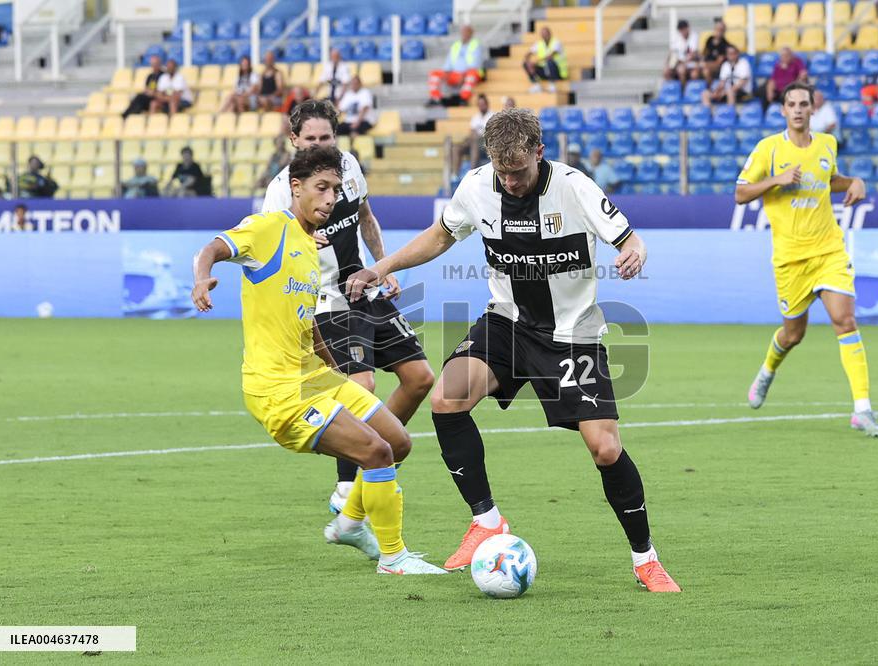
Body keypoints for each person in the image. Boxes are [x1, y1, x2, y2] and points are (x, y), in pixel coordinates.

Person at [345, 107, 682, 592]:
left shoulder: (574, 187)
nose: (512, 182)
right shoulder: (479, 186)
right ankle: (486, 520)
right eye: (503, 172)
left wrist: (633, 253)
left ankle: (645, 559)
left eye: (519, 171)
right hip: (506, 323)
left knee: (605, 448)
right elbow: (442, 235)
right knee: (446, 398)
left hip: (573, 334)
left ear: (539, 153)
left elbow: (631, 240)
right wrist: (382, 267)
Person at [192, 147, 445, 575]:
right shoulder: (268, 227)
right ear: (296, 187)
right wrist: (202, 279)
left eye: (336, 190)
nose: (330, 199)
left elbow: (305, 323)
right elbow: (212, 249)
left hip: (315, 377)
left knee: (399, 442)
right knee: (376, 451)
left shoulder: (311, 247)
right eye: (321, 188)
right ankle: (394, 557)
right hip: (278, 390)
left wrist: (331, 366)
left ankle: (349, 523)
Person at [262, 100, 435, 520]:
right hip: (324, 301)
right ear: (293, 141)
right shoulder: (282, 191)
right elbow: (269, 255)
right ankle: (348, 484)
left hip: (363, 286)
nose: (319, 145)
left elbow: (366, 217)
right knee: (362, 386)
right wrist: (300, 244)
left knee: (420, 378)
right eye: (310, 139)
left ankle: (372, 454)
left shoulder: (350, 167)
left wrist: (383, 265)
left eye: (326, 138)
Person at [735, 82, 878, 438]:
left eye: (804, 103)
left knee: (844, 320)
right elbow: (740, 193)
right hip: (790, 260)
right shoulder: (768, 149)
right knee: (793, 334)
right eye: (792, 104)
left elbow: (829, 179)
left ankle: (862, 409)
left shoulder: (827, 145)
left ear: (812, 109)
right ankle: (768, 370)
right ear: (784, 111)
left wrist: (855, 181)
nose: (799, 109)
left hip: (829, 250)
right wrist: (776, 180)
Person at [427, 24, 484, 106]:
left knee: (471, 74)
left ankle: (463, 98)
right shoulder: (456, 45)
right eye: (463, 32)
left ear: (471, 33)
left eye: (467, 32)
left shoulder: (476, 44)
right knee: (434, 74)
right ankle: (436, 98)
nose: (464, 34)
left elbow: (475, 64)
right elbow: (448, 62)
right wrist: (446, 72)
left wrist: (463, 75)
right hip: (456, 74)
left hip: (471, 74)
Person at [451, 93, 493, 177]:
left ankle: (472, 173)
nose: (481, 106)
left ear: (487, 104)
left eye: (483, 104)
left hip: (485, 144)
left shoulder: (492, 115)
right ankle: (455, 175)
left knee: (474, 141)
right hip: (473, 141)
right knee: (456, 148)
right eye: (479, 104)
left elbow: (489, 133)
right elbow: (472, 131)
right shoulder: (475, 117)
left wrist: (477, 134)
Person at [525, 26, 568, 93]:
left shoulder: (556, 42)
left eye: (546, 33)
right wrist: (528, 61)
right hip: (545, 71)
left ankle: (552, 85)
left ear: (550, 33)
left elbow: (551, 56)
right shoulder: (539, 43)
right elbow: (528, 53)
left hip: (558, 72)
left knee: (549, 61)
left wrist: (536, 62)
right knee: (526, 64)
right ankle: (536, 85)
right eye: (543, 34)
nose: (544, 36)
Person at [664, 19, 699, 84]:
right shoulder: (677, 37)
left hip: (690, 62)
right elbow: (672, 52)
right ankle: (671, 90)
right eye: (680, 30)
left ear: (687, 28)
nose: (682, 32)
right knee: (666, 71)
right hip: (678, 60)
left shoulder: (694, 36)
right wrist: (667, 64)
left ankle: (683, 91)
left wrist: (683, 63)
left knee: (681, 70)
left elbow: (693, 54)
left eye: (683, 29)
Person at [701, 20, 732, 85]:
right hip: (705, 65)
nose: (718, 32)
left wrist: (704, 64)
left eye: (721, 30)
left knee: (706, 71)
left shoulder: (725, 45)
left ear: (724, 31)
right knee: (693, 73)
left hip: (717, 69)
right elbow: (704, 53)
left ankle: (709, 89)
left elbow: (718, 64)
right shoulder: (709, 39)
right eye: (717, 29)